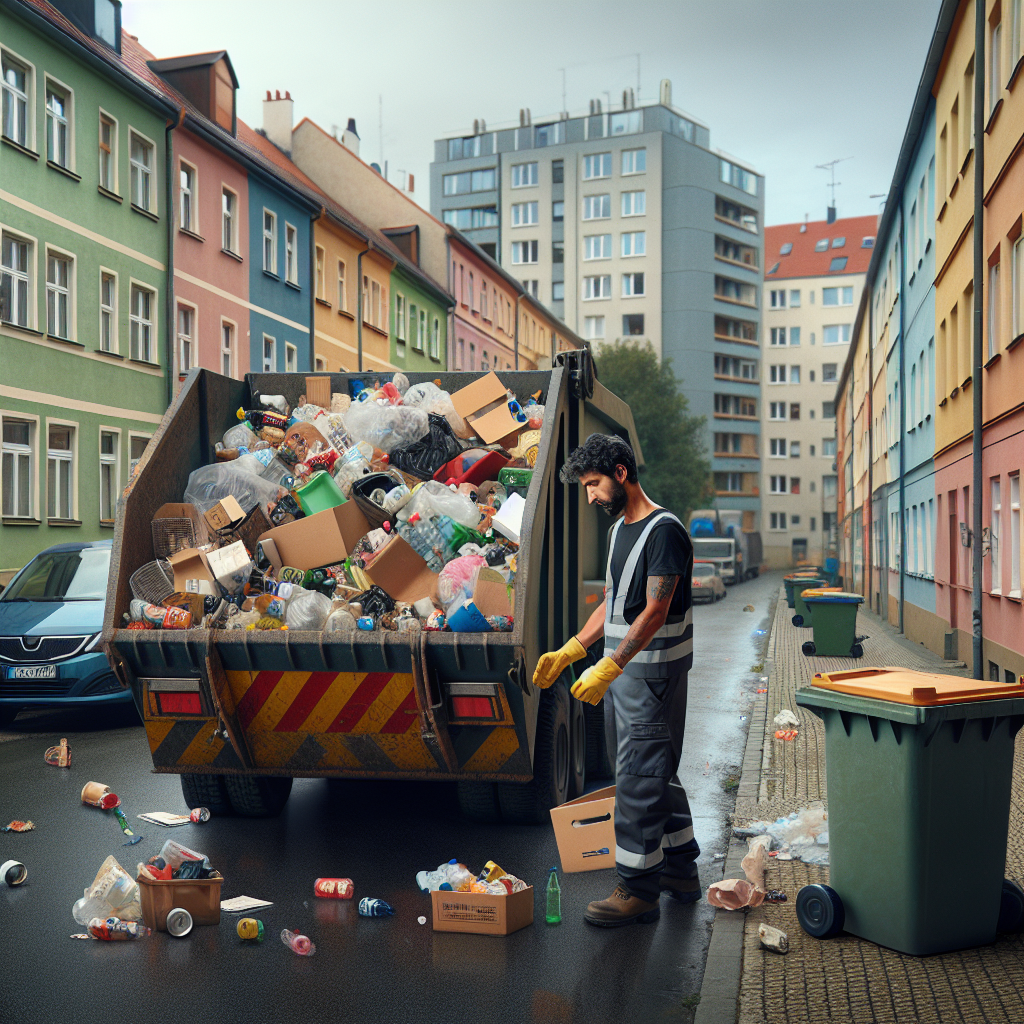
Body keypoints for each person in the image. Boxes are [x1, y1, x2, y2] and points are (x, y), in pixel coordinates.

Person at [534, 433, 699, 927]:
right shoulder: (619, 532)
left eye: (593, 484)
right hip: (628, 680)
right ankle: (680, 871)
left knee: (635, 781)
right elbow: (616, 603)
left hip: (651, 680)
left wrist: (610, 665)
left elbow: (656, 609)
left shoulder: (663, 530)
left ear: (621, 474)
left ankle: (638, 890)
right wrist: (574, 649)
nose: (590, 496)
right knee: (652, 776)